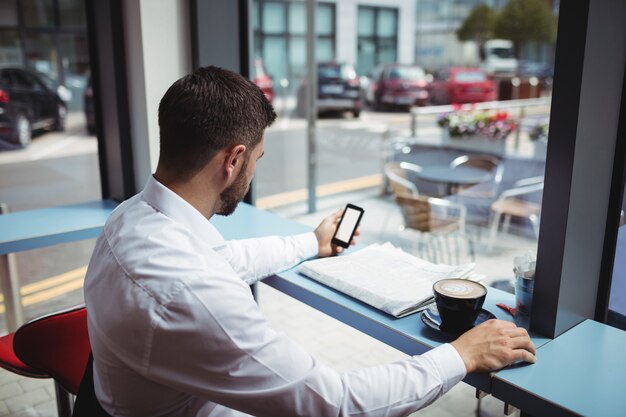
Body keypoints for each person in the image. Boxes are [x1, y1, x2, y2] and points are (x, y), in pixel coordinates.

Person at [84, 66, 536, 417]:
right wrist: (460, 355)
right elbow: (336, 404)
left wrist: (311, 243)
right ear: (233, 159)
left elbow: (223, 260)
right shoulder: (190, 293)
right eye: (256, 158)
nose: (254, 170)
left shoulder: (132, 219)